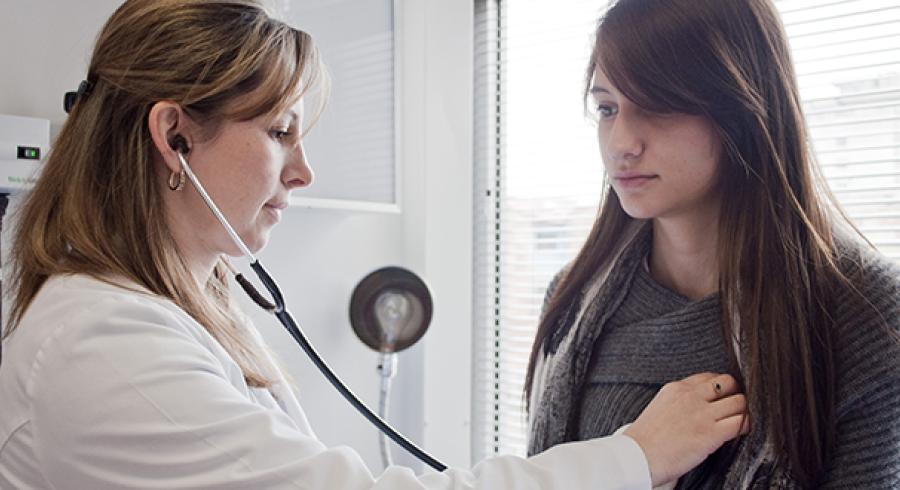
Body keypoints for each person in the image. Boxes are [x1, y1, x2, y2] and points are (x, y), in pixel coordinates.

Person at [0, 1, 750, 488]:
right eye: (279, 132)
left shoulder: (182, 308)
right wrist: (635, 456)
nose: (303, 170)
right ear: (174, 136)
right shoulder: (102, 346)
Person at [524, 0, 900, 488]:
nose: (621, 143)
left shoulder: (863, 314)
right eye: (607, 108)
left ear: (740, 109)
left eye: (656, 106)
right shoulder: (572, 301)